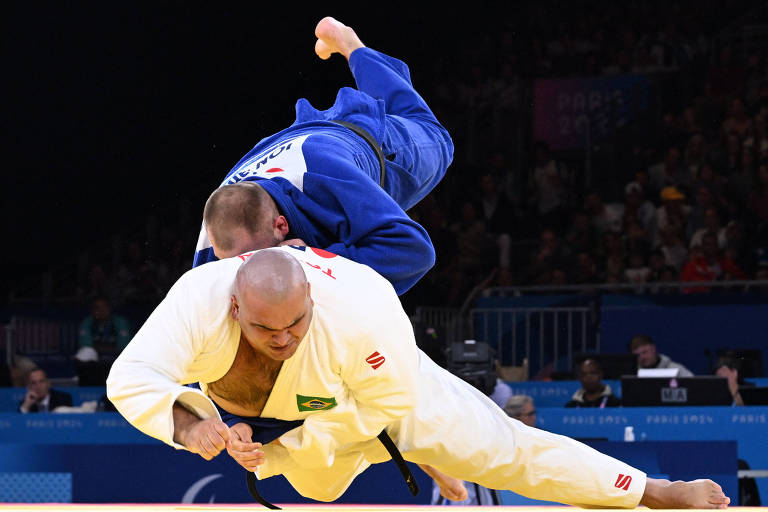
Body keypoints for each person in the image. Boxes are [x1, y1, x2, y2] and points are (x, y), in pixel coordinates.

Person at [107, 247, 728, 509]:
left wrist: (289, 443)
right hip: (281, 432)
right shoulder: (199, 300)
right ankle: (413, 456)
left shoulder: (362, 307)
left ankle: (650, 491)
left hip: (377, 400)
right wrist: (193, 429)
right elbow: (129, 377)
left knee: (501, 448)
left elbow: (389, 403)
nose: (284, 339)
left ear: (312, 304)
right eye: (268, 330)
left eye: (296, 325)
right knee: (321, 490)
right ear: (236, 307)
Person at [192, 17, 454, 296]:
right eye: (234, 264)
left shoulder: (328, 178)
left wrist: (311, 262)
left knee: (436, 137)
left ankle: (352, 46)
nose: (250, 271)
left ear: (280, 225)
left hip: (364, 142)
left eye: (256, 259)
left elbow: (412, 251)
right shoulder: (215, 241)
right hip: (290, 140)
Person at [629, 334, 694, 377]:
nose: (642, 357)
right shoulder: (632, 375)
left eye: (645, 352)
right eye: (637, 355)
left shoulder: (676, 369)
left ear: (653, 349)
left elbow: (694, 386)